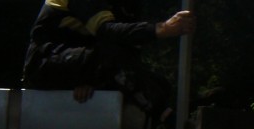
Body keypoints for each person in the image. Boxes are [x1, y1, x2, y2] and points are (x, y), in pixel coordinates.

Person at [22, 1, 196, 122]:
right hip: (45, 63)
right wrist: (162, 29)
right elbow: (107, 32)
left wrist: (90, 79)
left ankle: (154, 128)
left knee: (160, 84)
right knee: (112, 59)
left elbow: (128, 47)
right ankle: (170, 120)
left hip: (84, 63)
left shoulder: (126, 5)